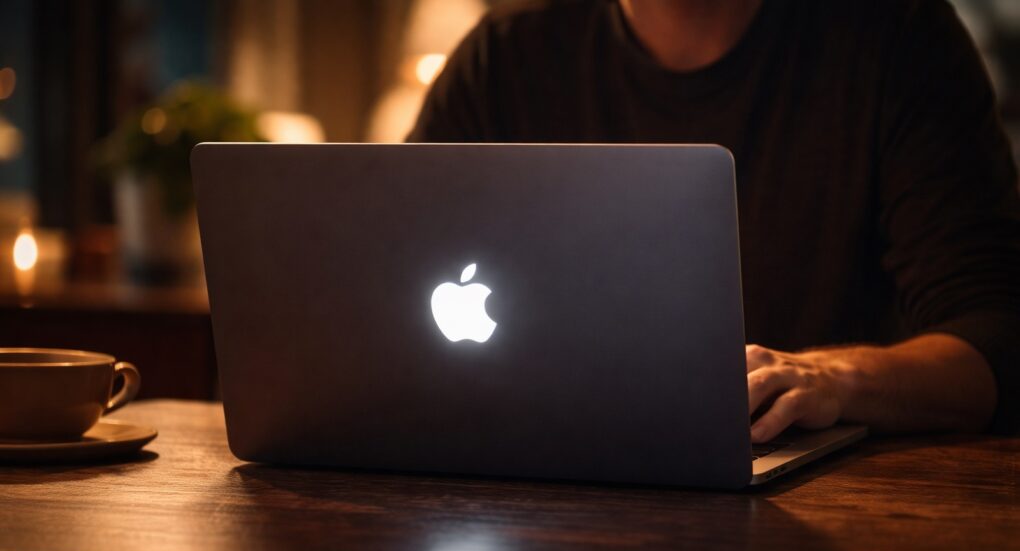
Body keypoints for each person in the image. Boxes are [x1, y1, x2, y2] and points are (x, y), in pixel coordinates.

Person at [408, 0, 1020, 441]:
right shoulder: (502, 57)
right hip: (526, 485)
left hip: (820, 505)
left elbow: (996, 343)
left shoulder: (898, 36)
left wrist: (838, 381)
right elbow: (385, 275)